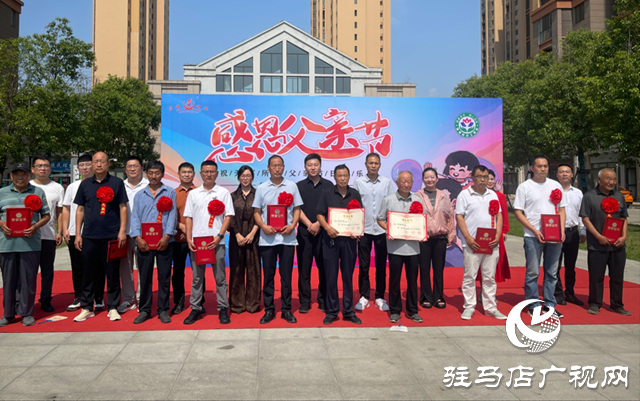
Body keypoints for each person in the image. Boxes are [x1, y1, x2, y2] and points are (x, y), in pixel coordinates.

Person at [73, 152, 128, 322]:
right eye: (95, 161)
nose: (98, 165)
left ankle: (112, 306)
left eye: (102, 161)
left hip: (111, 235)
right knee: (88, 273)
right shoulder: (85, 184)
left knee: (112, 273)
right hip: (89, 236)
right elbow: (80, 209)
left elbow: (123, 207)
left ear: (108, 163)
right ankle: (87, 307)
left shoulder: (117, 183)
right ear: (91, 164)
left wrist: (122, 231)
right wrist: (78, 233)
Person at [514, 155, 567, 318]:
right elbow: (518, 212)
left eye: (545, 166)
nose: (543, 169)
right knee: (533, 272)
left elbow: (562, 209)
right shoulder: (524, 187)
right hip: (532, 236)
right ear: (532, 168)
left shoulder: (555, 185)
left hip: (554, 236)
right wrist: (534, 230)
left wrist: (561, 230)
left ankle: (549, 304)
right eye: (539, 166)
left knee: (552, 272)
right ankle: (533, 305)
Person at [253, 155, 303, 324]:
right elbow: (256, 212)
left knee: (286, 276)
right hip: (267, 239)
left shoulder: (291, 186)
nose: (276, 168)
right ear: (268, 168)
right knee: (268, 276)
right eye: (273, 166)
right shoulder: (261, 188)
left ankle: (286, 309)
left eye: (279, 165)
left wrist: (293, 225)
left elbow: (297, 209)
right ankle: (269, 309)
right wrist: (263, 226)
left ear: (283, 167)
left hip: (287, 238)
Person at [183, 160, 235, 325]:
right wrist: (189, 238)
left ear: (217, 173)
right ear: (201, 173)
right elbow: (188, 217)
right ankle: (195, 308)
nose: (209, 174)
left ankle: (223, 308)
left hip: (216, 242)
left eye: (212, 171)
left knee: (220, 278)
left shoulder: (223, 193)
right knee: (197, 278)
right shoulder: (193, 194)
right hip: (197, 243)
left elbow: (228, 216)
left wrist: (219, 236)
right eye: (206, 171)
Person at [0, 162, 50, 327]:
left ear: (30, 175)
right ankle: (8, 314)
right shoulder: (2, 193)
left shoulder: (38, 192)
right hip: (7, 245)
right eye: (17, 174)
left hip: (30, 244)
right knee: (8, 281)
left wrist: (35, 227)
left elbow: (46, 215)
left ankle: (27, 313)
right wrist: (1, 223)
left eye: (24, 174)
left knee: (28, 280)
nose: (20, 177)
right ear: (11, 176)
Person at [455, 165, 506, 320]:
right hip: (472, 243)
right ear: (472, 177)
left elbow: (499, 216)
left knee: (489, 277)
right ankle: (469, 307)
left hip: (491, 243)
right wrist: (468, 237)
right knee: (470, 276)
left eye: (485, 177)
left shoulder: (493, 194)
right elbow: (459, 216)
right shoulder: (465, 195)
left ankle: (490, 307)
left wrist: (498, 235)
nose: (483, 180)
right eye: (479, 177)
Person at [130, 161, 177, 324]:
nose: (154, 176)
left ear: (162, 174)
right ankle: (144, 309)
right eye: (151, 173)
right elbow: (135, 217)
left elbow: (172, 216)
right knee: (145, 277)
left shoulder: (170, 192)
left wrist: (167, 236)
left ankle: (163, 309)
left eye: (157, 173)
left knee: (164, 277)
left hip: (165, 242)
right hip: (144, 243)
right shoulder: (139, 195)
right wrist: (137, 238)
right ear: (146, 174)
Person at [316, 164, 363, 325]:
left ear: (349, 176)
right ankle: (332, 311)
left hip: (349, 241)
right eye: (339, 175)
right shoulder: (327, 193)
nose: (342, 178)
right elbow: (320, 214)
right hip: (330, 240)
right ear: (334, 177)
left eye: (345, 175)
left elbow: (358, 216)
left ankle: (348, 311)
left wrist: (357, 230)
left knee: (348, 277)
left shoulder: (355, 194)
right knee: (331, 277)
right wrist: (327, 227)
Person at [376, 171, 426, 323]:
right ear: (397, 183)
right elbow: (380, 218)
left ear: (412, 183)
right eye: (403, 181)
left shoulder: (418, 200)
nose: (406, 184)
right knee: (394, 280)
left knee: (412, 281)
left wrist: (422, 232)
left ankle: (412, 310)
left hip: (413, 248)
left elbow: (422, 221)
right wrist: (389, 229)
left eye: (409, 181)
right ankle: (395, 310)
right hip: (395, 248)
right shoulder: (388, 200)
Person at [580, 168, 630, 316]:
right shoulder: (589, 196)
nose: (611, 182)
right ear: (599, 179)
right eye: (608, 178)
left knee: (617, 276)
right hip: (597, 245)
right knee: (596, 277)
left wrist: (624, 237)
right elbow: (585, 219)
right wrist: (598, 236)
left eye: (614, 179)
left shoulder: (619, 196)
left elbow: (623, 218)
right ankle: (595, 303)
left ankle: (616, 304)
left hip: (617, 245)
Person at [60, 155, 104, 312]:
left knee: (98, 267)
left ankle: (98, 297)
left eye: (87, 164)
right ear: (77, 168)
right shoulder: (72, 187)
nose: (85, 167)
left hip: (95, 233)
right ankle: (79, 296)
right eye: (82, 165)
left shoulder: (101, 185)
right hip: (74, 232)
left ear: (93, 165)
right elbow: (66, 208)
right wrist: (65, 229)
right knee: (78, 267)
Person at [353, 152, 394, 312]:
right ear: (365, 164)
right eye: (370, 163)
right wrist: (356, 228)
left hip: (382, 230)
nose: (373, 165)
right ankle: (364, 296)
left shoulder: (386, 182)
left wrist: (390, 227)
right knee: (363, 266)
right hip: (364, 230)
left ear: (380, 165)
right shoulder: (358, 182)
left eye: (376, 163)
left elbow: (391, 205)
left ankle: (379, 297)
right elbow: (355, 206)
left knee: (381, 265)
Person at [415, 167, 456, 310]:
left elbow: (450, 216)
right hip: (423, 239)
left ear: (437, 179)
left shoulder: (444, 196)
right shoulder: (417, 196)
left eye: (432, 177)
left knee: (439, 270)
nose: (429, 180)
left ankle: (438, 296)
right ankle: (426, 297)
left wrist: (451, 234)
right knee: (424, 269)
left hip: (440, 238)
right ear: (423, 179)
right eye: (426, 177)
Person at [28, 156, 64, 312]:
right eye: (39, 165)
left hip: (48, 235)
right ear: (33, 169)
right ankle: (25, 301)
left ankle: (46, 299)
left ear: (50, 168)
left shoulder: (58, 187)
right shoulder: (27, 186)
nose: (43, 168)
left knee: (47, 271)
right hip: (28, 236)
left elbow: (60, 212)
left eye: (46, 165)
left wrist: (59, 231)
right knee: (28, 272)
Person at [296, 153, 331, 313]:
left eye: (316, 164)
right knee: (304, 269)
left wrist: (318, 224)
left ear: (320, 166)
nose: (313, 167)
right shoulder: (299, 186)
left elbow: (331, 208)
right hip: (304, 233)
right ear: (305, 167)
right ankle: (305, 301)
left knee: (324, 268)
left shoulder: (329, 185)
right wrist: (310, 224)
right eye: (309, 165)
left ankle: (323, 299)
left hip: (323, 233)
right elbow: (297, 208)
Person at [118, 155, 149, 314]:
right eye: (129, 166)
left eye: (135, 166)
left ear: (141, 168)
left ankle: (142, 299)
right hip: (124, 234)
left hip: (143, 235)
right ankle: (129, 299)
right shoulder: (119, 185)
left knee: (143, 268)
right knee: (125, 269)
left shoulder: (149, 185)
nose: (132, 169)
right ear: (125, 169)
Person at [228, 166, 261, 314]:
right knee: (236, 270)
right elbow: (229, 216)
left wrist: (253, 233)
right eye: (243, 175)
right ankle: (237, 304)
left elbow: (261, 214)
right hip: (237, 238)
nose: (245, 178)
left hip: (254, 237)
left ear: (252, 177)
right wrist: (237, 234)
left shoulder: (258, 194)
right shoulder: (232, 196)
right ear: (238, 177)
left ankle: (253, 304)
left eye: (248, 175)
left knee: (254, 270)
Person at [555, 164, 586, 306]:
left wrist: (583, 230)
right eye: (561, 172)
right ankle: (557, 293)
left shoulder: (578, 193)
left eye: (567, 172)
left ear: (572, 174)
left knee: (570, 265)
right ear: (557, 175)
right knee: (555, 265)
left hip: (572, 232)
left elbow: (581, 213)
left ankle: (570, 292)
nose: (564, 174)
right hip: (555, 232)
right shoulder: (552, 191)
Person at [171, 162, 197, 315]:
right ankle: (179, 301)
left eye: (189, 172)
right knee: (178, 272)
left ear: (194, 174)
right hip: (178, 238)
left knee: (198, 272)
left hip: (196, 239)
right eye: (184, 172)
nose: (187, 174)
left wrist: (190, 232)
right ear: (178, 174)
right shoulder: (172, 193)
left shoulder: (200, 192)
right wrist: (182, 227)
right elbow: (168, 216)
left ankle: (199, 301)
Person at [487, 170, 510, 284]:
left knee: (495, 259)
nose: (490, 181)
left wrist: (504, 230)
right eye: (487, 179)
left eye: (492, 179)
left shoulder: (500, 196)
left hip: (497, 232)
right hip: (483, 232)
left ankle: (492, 287)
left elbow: (504, 214)